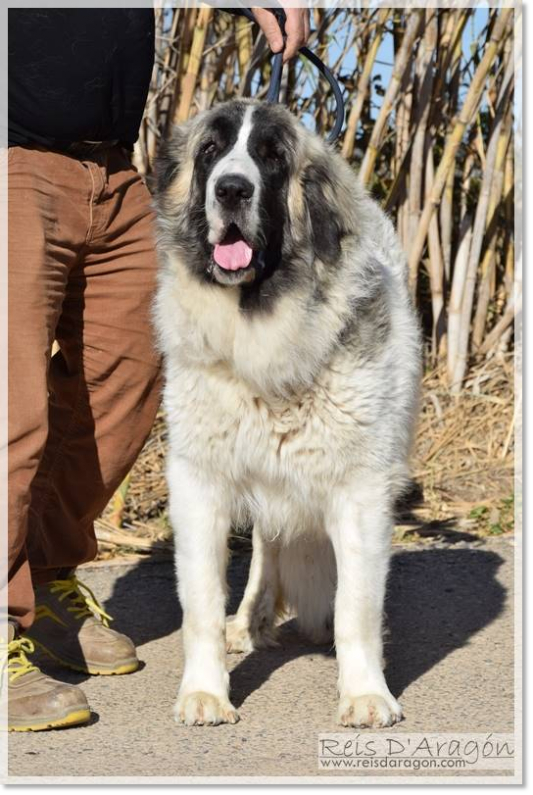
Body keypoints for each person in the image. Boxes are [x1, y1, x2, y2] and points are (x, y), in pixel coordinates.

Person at [6, 6, 310, 732]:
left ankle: (45, 576)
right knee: (11, 414)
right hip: (11, 160)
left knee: (128, 383)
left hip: (112, 172)